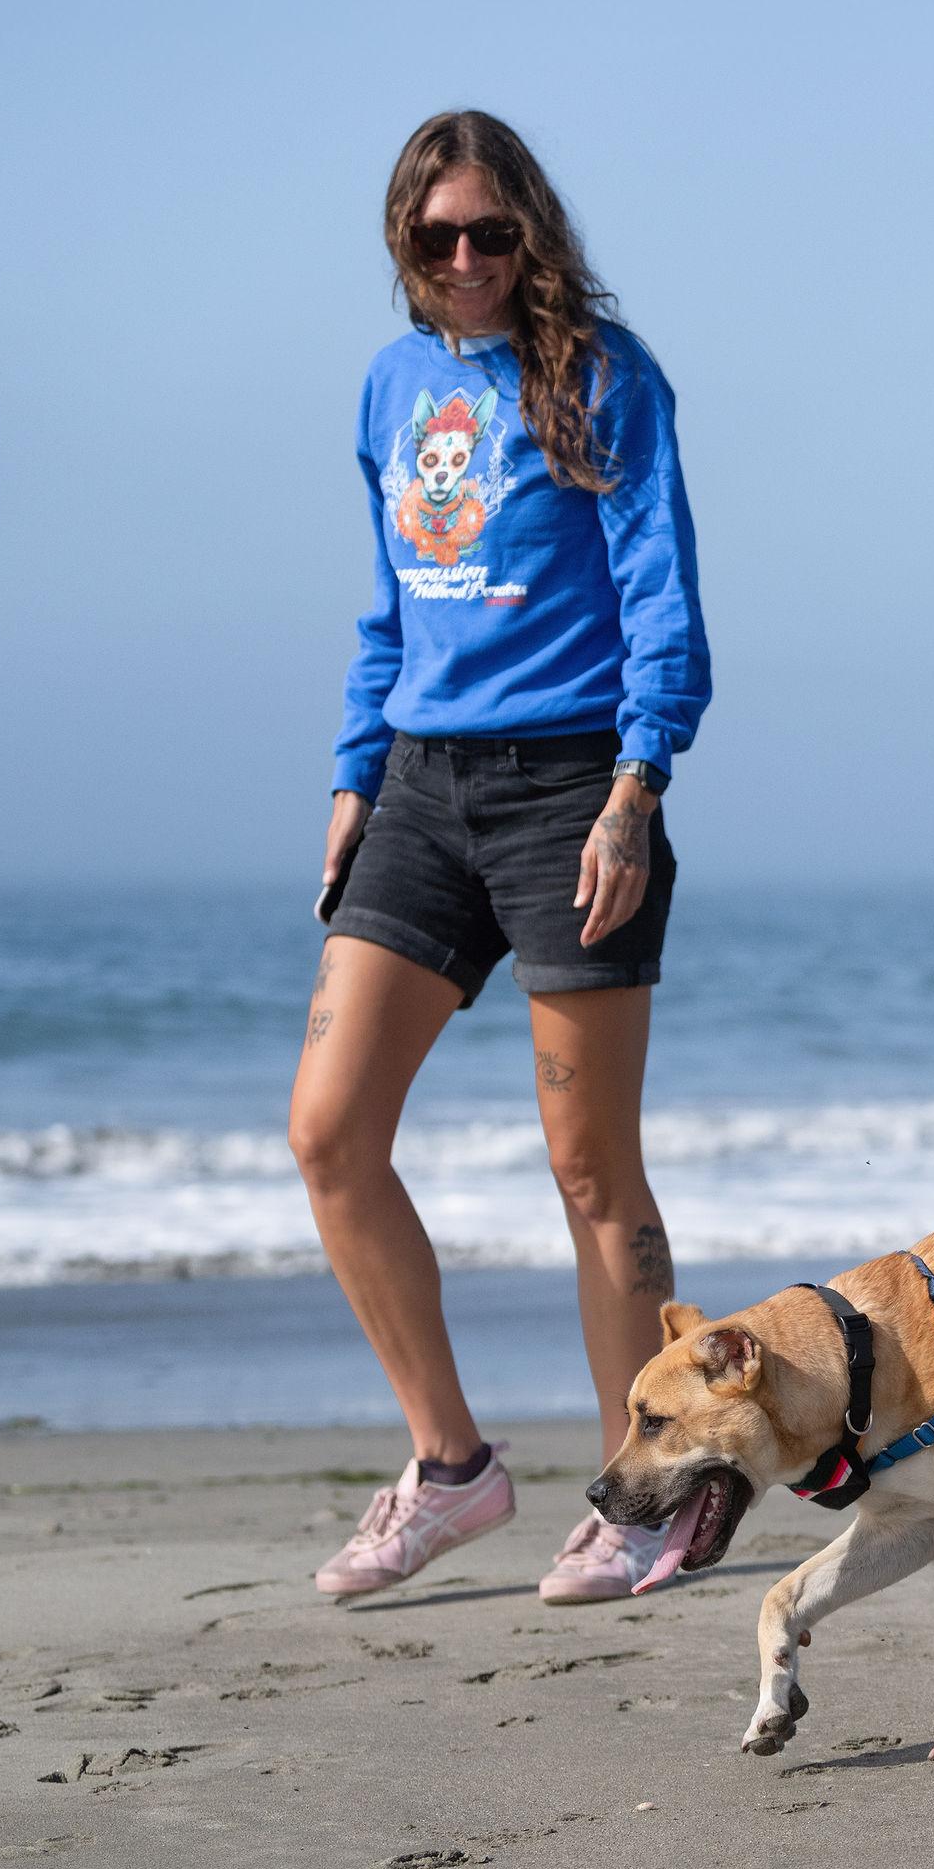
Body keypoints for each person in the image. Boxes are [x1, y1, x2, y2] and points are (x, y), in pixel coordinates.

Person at [290, 109, 711, 1605]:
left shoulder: (606, 377)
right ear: (404, 244)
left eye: (490, 231)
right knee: (329, 1133)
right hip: (419, 785)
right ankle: (452, 1469)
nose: (464, 258)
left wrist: (636, 786)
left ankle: (647, 1495)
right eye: (436, 235)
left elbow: (661, 592)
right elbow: (391, 599)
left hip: (569, 788)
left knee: (591, 1168)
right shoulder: (390, 385)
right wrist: (356, 773)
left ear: (531, 231)